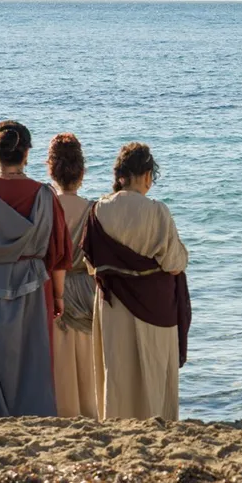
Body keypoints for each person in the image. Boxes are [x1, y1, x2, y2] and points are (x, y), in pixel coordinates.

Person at [0, 120, 71, 417]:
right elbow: (57, 254)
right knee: (33, 359)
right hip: (34, 288)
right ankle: (34, 415)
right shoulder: (45, 197)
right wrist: (58, 297)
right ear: (27, 153)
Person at [83, 143, 191, 420]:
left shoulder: (97, 210)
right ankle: (158, 420)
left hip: (113, 305)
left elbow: (91, 264)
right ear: (146, 175)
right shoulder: (157, 211)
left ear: (120, 175)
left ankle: (116, 419)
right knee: (153, 371)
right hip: (156, 305)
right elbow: (174, 262)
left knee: (118, 370)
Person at [47, 133, 98, 418]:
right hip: (86, 288)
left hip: (56, 285)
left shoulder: (45, 208)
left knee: (60, 360)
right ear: (82, 171)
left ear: (51, 169)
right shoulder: (93, 210)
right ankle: (90, 413)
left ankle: (60, 412)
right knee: (86, 359)